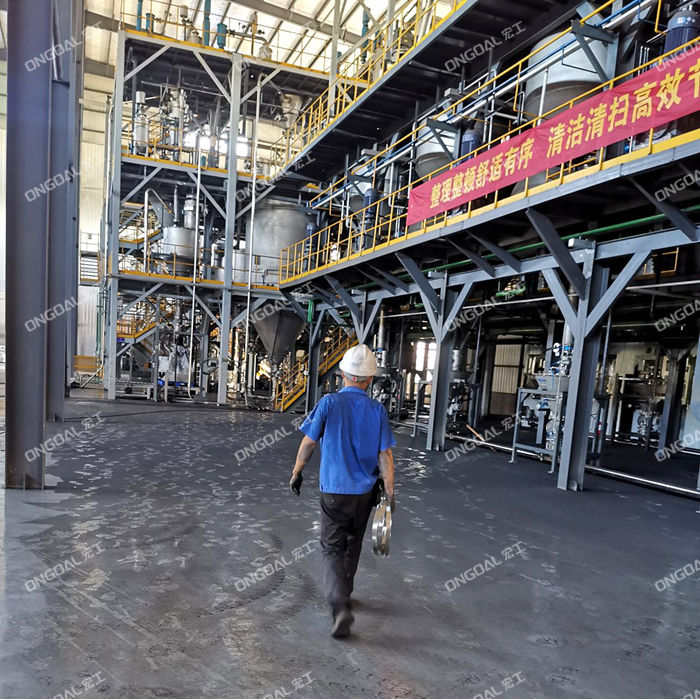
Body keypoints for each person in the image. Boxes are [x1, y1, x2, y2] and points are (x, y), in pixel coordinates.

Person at [288, 344, 396, 639]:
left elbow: (309, 442)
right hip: (364, 494)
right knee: (353, 543)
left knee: (332, 547)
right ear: (370, 379)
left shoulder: (328, 403)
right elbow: (385, 455)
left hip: (334, 491)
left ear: (342, 374)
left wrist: (297, 471)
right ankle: (345, 593)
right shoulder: (377, 410)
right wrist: (390, 492)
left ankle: (339, 605)